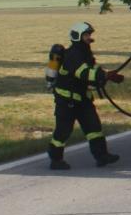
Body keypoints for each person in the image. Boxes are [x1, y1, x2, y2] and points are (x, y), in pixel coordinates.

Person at [48, 21, 121, 170]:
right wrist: (106, 75)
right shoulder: (73, 54)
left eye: (89, 35)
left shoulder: (85, 53)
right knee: (63, 132)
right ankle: (56, 160)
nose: (89, 37)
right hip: (67, 101)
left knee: (94, 128)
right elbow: (84, 73)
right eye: (87, 35)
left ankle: (102, 156)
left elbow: (92, 69)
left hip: (82, 99)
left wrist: (106, 76)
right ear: (78, 36)